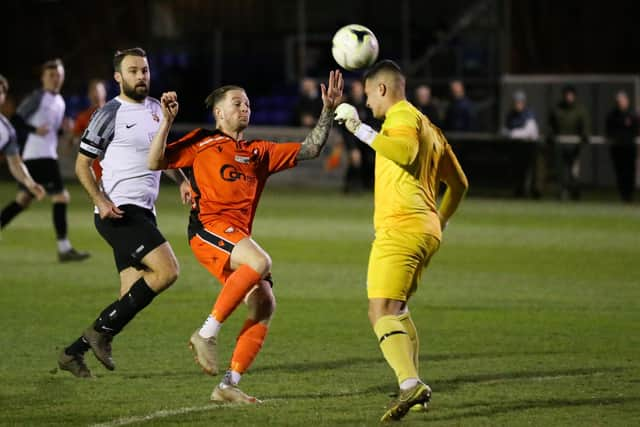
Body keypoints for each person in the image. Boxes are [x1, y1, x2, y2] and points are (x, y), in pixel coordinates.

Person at [147, 70, 343, 403]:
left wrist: (327, 110)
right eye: (237, 103)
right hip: (208, 228)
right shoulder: (201, 141)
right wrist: (166, 121)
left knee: (265, 303)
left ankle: (228, 384)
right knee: (260, 260)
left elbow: (310, 149)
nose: (245, 108)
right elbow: (156, 160)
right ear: (219, 113)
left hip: (236, 236)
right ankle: (205, 333)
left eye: (248, 103)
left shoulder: (258, 151)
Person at [333, 60, 468, 422]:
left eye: (368, 97)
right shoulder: (432, 129)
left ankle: (410, 384)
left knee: (380, 311)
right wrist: (438, 222)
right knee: (399, 310)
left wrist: (358, 129)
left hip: (401, 230)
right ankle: (416, 389)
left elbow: (405, 154)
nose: (367, 105)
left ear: (382, 89)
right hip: (424, 231)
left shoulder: (402, 120)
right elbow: (460, 184)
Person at [57, 47, 191, 378]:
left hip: (145, 212)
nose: (141, 76)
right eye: (133, 71)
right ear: (118, 77)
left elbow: (163, 153)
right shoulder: (108, 113)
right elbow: (82, 164)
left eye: (144, 70)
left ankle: (74, 352)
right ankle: (97, 337)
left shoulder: (157, 109)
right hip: (118, 211)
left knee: (129, 297)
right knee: (168, 270)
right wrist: (100, 200)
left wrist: (184, 181)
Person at [0, 58, 89, 261]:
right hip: (38, 155)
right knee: (61, 197)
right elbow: (17, 119)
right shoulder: (38, 98)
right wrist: (34, 130)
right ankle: (64, 248)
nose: (55, 79)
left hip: (41, 156)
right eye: (51, 75)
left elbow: (50, 131)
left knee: (22, 201)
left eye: (58, 75)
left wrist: (62, 129)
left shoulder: (60, 101)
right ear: (43, 78)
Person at [0, 74, 46, 201]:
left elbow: (15, 163)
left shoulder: (6, 131)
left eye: (0, 93)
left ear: (4, 97)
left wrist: (29, 182)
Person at [548, 85, 591, 200]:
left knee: (574, 172)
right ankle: (562, 192)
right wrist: (551, 134)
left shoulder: (580, 110)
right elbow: (551, 125)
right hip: (560, 145)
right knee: (561, 171)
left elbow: (585, 125)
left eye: (571, 95)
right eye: (567, 95)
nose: (569, 97)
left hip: (574, 146)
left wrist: (585, 135)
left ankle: (575, 192)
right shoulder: (557, 109)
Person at [340, 79, 376, 193]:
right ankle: (350, 185)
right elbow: (343, 126)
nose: (357, 92)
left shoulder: (368, 105)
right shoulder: (347, 106)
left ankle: (368, 184)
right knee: (355, 159)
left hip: (365, 137)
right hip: (352, 138)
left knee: (371, 159)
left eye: (359, 89)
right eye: (355, 89)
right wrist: (351, 147)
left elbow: (373, 122)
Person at [503, 90, 540, 198]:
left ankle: (534, 193)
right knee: (518, 172)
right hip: (517, 148)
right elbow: (506, 129)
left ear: (524, 102)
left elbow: (528, 132)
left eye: (519, 102)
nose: (517, 104)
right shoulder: (511, 115)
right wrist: (508, 133)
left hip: (529, 148)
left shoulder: (529, 114)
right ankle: (519, 192)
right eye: (515, 102)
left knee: (532, 172)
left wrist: (512, 133)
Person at [605, 90, 638, 202]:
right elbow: (609, 132)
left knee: (630, 172)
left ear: (627, 102)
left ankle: (629, 195)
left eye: (623, 100)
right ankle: (623, 195)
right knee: (620, 173)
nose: (621, 103)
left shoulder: (632, 116)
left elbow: (636, 130)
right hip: (617, 149)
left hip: (629, 148)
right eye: (619, 101)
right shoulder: (612, 116)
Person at [72, 79, 107, 180]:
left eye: (99, 91)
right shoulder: (83, 117)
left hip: (114, 167)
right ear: (89, 95)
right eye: (93, 91)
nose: (96, 94)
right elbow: (74, 140)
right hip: (94, 169)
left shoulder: (114, 114)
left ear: (104, 92)